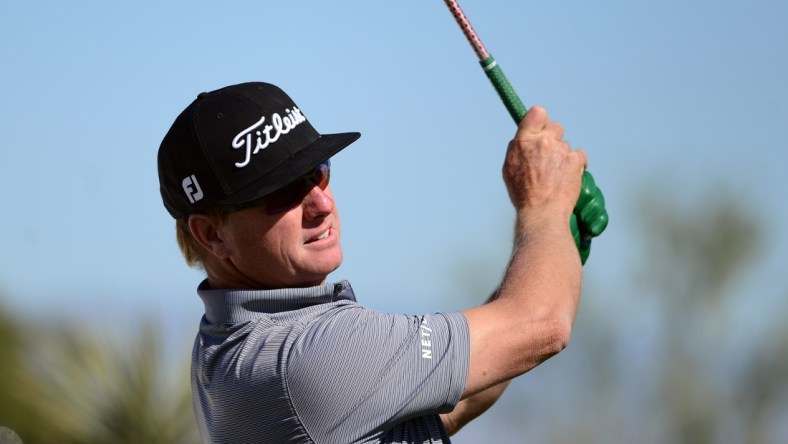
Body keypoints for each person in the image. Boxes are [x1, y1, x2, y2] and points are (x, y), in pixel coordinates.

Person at [157, 81, 606, 443]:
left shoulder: (225, 345)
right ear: (212, 234)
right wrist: (544, 204)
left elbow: (452, 398)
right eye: (281, 193)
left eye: (317, 172)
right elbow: (539, 324)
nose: (321, 203)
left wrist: (554, 247)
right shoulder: (308, 356)